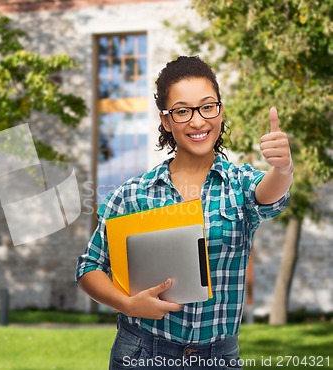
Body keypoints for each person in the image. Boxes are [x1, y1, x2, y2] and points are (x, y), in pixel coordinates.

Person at [75, 55, 293, 369]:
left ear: (219, 109)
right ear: (165, 120)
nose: (198, 121)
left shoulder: (239, 185)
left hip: (218, 357)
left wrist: (284, 167)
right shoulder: (133, 194)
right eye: (182, 111)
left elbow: (269, 193)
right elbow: (89, 267)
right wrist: (127, 304)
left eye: (207, 106)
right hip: (141, 351)